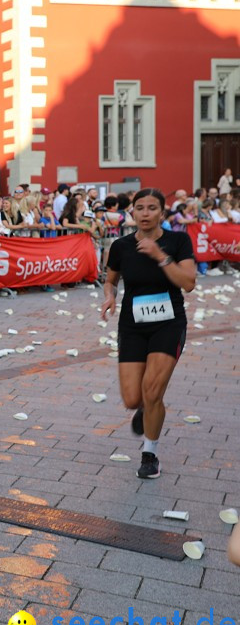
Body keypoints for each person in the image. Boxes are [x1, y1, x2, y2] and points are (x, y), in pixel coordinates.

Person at [101, 189, 195, 480]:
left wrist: (160, 256)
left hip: (168, 323)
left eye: (152, 208)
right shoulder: (121, 245)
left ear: (162, 213)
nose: (144, 213)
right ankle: (143, 407)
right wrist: (110, 295)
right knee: (132, 399)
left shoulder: (177, 241)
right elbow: (111, 278)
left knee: (153, 392)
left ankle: (150, 453)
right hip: (132, 324)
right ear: (132, 213)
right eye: (139, 208)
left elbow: (188, 282)